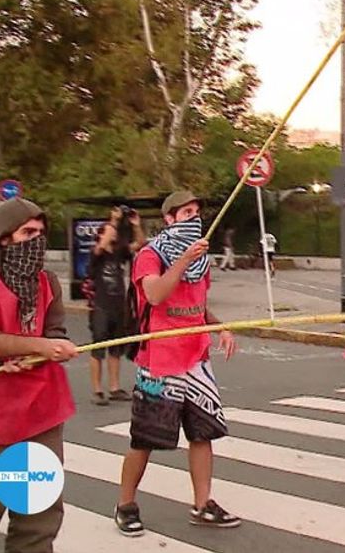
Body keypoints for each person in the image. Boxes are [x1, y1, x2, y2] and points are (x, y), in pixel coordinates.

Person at [0, 198, 80, 553]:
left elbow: (54, 330)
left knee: (39, 520)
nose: (36, 240)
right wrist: (34, 346)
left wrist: (53, 346)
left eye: (41, 232)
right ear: (3, 239)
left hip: (41, 415)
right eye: (28, 232)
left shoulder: (47, 283)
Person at [114, 191, 240, 536]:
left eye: (197, 212)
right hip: (159, 362)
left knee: (203, 434)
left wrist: (218, 326)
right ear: (168, 219)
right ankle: (126, 504)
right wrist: (184, 258)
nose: (194, 217)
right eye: (186, 212)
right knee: (145, 438)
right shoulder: (149, 255)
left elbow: (198, 303)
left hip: (196, 358)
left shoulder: (201, 261)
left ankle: (203, 504)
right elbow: (155, 294)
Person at [87, 205, 146, 406]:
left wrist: (135, 225)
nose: (113, 232)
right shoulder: (97, 254)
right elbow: (100, 246)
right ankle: (97, 389)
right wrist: (111, 222)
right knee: (98, 348)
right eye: (108, 231)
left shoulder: (120, 253)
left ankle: (114, 387)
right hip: (100, 306)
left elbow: (140, 243)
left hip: (118, 306)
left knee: (115, 348)